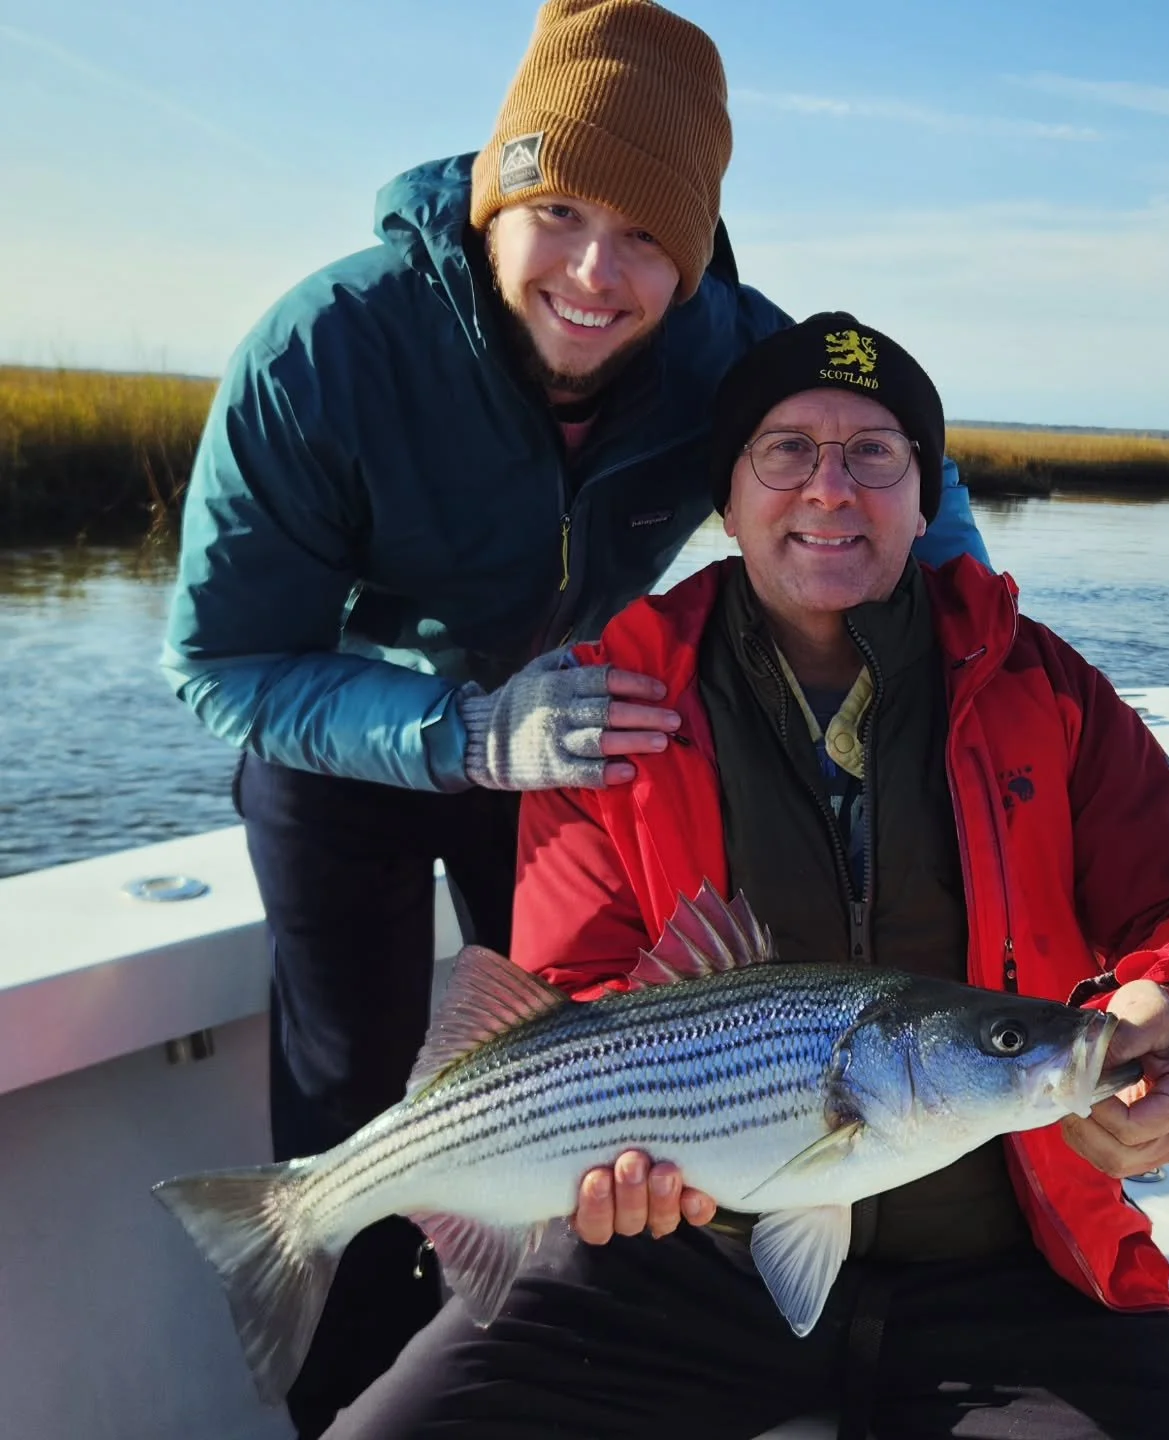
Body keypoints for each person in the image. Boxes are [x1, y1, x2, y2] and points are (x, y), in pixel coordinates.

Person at [162, 4, 989, 1432]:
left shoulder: (731, 352)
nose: (599, 275)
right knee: (350, 1081)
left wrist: (974, 651)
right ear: (498, 195)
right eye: (559, 213)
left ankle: (525, 1369)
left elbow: (906, 477)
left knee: (582, 1081)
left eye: (650, 236)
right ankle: (346, 1400)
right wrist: (461, 732)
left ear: (698, 251)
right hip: (346, 740)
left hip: (578, 751)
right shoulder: (323, 353)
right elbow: (224, 662)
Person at [322, 311, 1169, 1440]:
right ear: (726, 497)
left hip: (1014, 1262)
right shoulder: (610, 700)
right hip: (679, 1260)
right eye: (785, 449)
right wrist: (613, 1159)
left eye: (875, 453)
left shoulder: (1039, 685)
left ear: (926, 498)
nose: (830, 488)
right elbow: (573, 993)